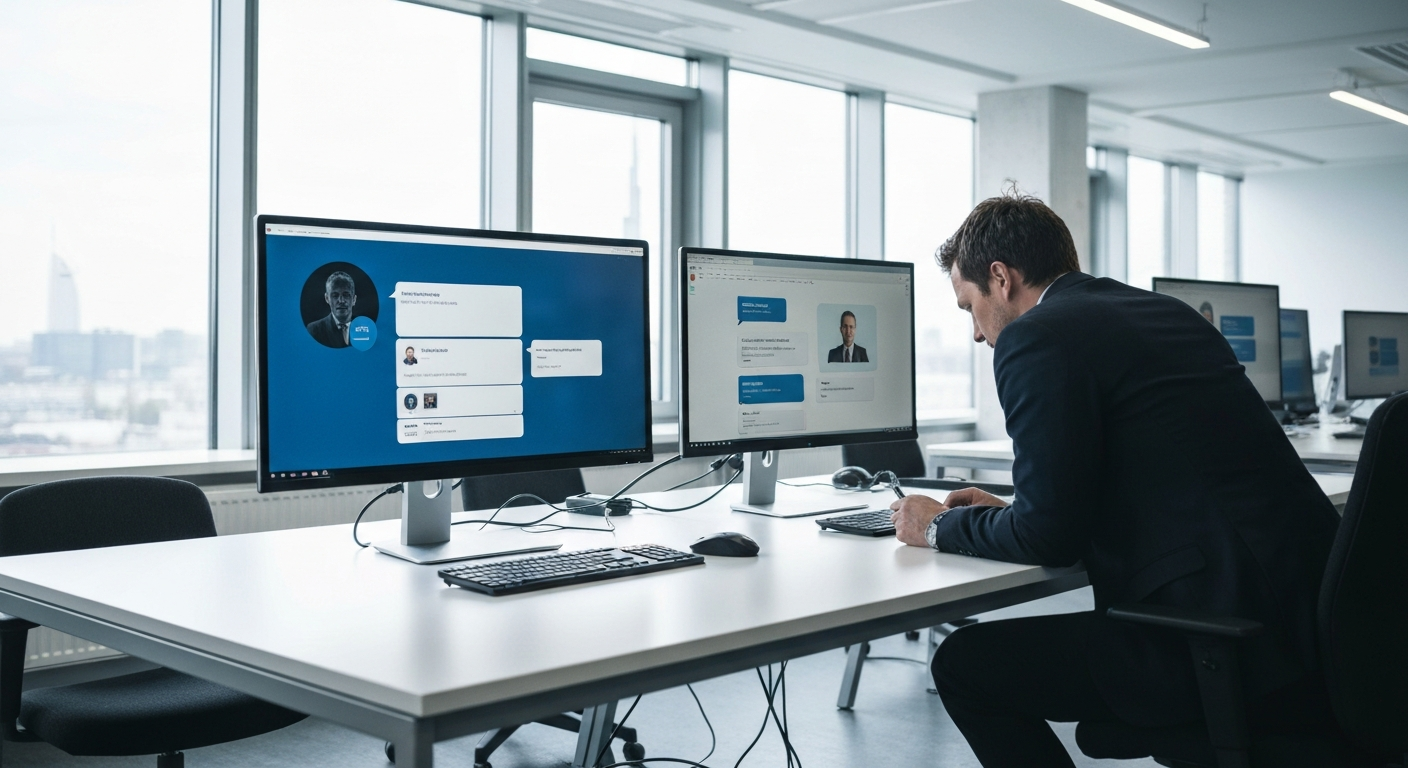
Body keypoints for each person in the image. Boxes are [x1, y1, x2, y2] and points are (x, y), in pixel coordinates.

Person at [888, 192, 1339, 768]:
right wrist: (1012, 512)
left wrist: (941, 526)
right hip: (1313, 622)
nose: (976, 334)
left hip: (1219, 639)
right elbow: (1156, 476)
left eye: (967, 306)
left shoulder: (1037, 337)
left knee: (963, 665)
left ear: (1000, 278)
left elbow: (1051, 539)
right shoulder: (1162, 311)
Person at [306, 271, 357, 349]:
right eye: (335, 296)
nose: (341, 301)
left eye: (346, 295)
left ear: (354, 299)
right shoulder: (313, 330)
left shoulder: (366, 327)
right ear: (327, 298)